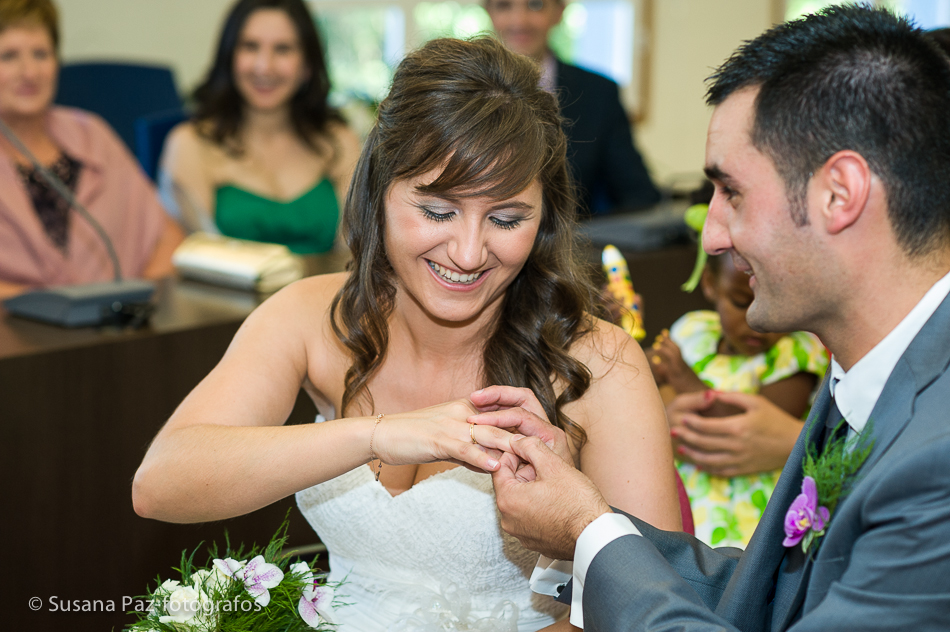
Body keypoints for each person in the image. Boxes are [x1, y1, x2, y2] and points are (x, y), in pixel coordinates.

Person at [133, 36, 681, 632]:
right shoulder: (310, 317)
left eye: (506, 219)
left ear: (545, 217)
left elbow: (654, 609)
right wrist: (378, 435)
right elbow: (161, 483)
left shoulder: (598, 362)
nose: (469, 253)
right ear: (379, 191)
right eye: (439, 212)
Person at [485, 6, 950, 630]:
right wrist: (587, 530)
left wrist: (587, 529)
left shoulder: (936, 462)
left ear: (840, 194)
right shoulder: (863, 379)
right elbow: (776, 597)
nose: (711, 236)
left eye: (731, 191)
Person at [0, 0, 183, 299]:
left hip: (119, 333)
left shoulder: (91, 133)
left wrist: (138, 304)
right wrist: (49, 310)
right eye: (8, 56)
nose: (29, 72)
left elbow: (166, 237)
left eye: (41, 54)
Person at [646, 247, 828, 548]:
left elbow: (753, 425)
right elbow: (649, 371)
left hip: (755, 514)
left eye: (775, 301)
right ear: (710, 284)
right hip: (690, 507)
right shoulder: (693, 332)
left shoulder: (794, 351)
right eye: (741, 302)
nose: (757, 319)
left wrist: (685, 382)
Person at [159, 0, 360, 254]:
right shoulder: (189, 144)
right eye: (250, 47)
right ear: (229, 56)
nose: (264, 66)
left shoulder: (340, 141)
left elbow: (358, 256)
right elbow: (195, 261)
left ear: (307, 65)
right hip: (221, 294)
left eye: (283, 49)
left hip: (327, 293)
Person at [484, 0, 660, 217]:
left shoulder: (598, 92)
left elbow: (639, 194)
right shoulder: (460, 91)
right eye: (503, 6)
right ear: (488, 12)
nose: (520, 21)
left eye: (536, 5)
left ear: (559, 12)